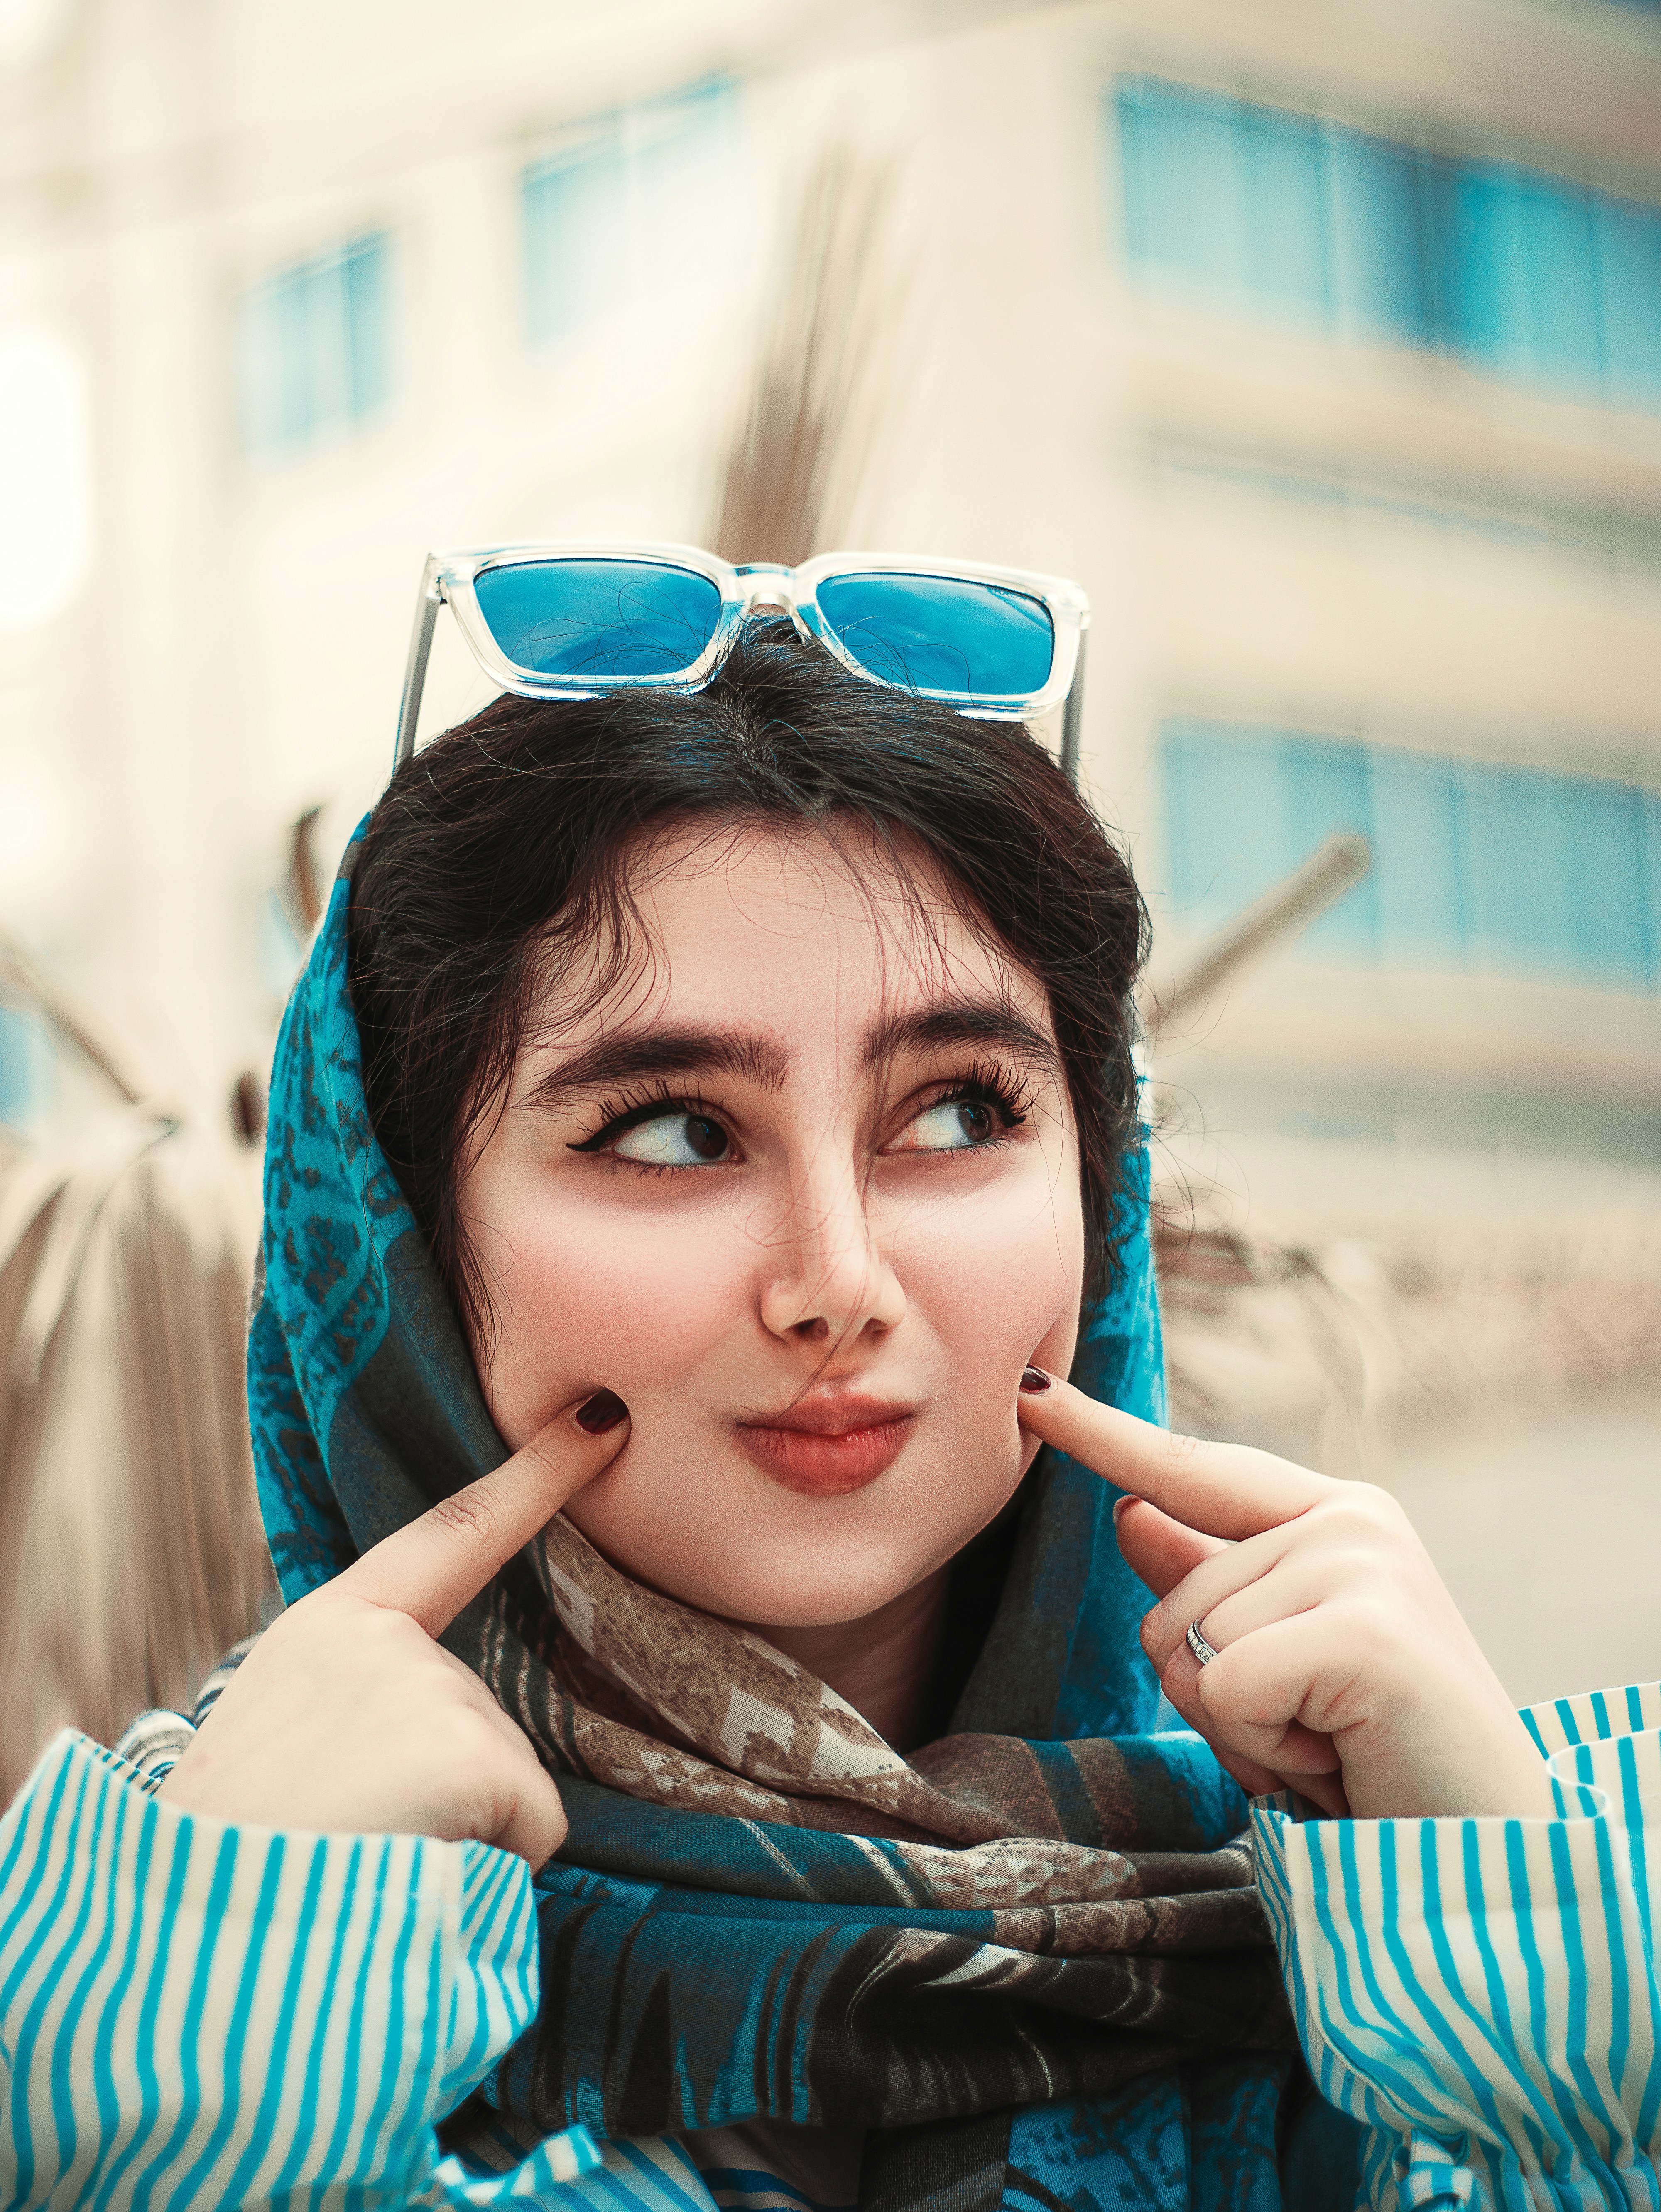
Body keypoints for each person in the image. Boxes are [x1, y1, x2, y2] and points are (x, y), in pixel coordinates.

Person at [1, 549, 1655, 2212]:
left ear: (1100, 1186)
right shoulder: (167, 1947)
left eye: (957, 1112)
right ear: (412, 1244)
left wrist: (1532, 1983)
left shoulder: (1395, 1899)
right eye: (670, 1130)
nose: (835, 1281)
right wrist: (204, 2056)